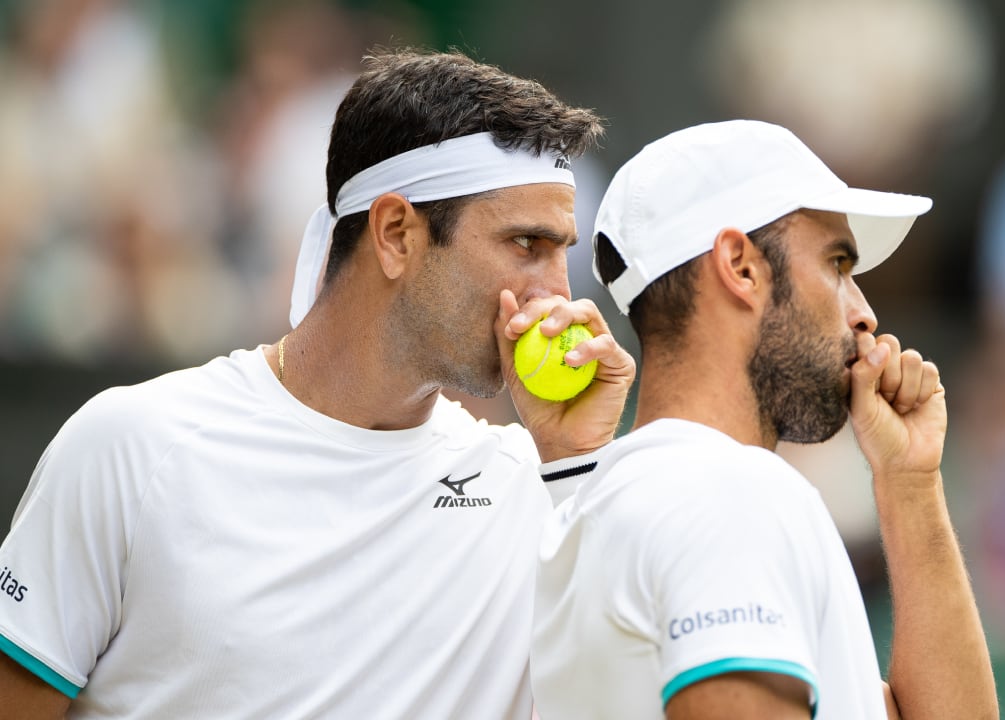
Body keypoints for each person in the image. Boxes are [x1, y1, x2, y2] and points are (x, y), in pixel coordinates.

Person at [0, 49, 634, 719]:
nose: (557, 296)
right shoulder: (132, 446)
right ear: (395, 234)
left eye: (561, 253)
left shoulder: (536, 489)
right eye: (526, 245)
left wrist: (576, 466)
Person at [531, 120, 998, 719]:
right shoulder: (726, 493)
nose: (865, 314)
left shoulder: (608, 502)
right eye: (838, 264)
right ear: (741, 266)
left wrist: (911, 483)